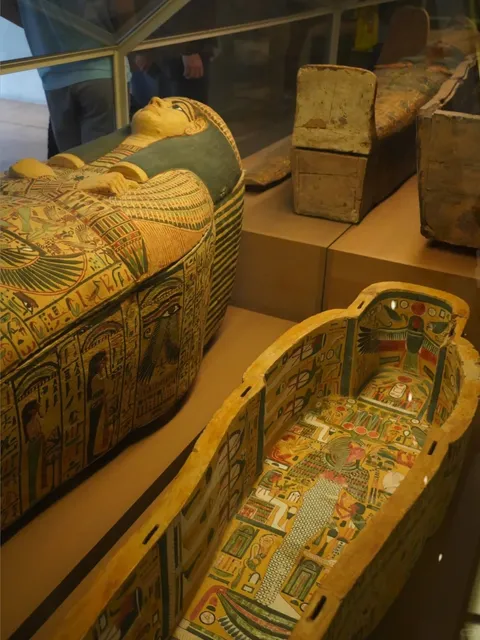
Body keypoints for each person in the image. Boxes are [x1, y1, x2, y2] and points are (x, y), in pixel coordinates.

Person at [2, 0, 135, 152]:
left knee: (70, 159)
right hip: (103, 66)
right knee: (102, 158)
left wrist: (40, 25)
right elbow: (126, 15)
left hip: (54, 74)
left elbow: (5, 7)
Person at [131, 0, 217, 108]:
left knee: (181, 107)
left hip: (175, 44)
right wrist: (189, 49)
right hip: (176, 47)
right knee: (182, 108)